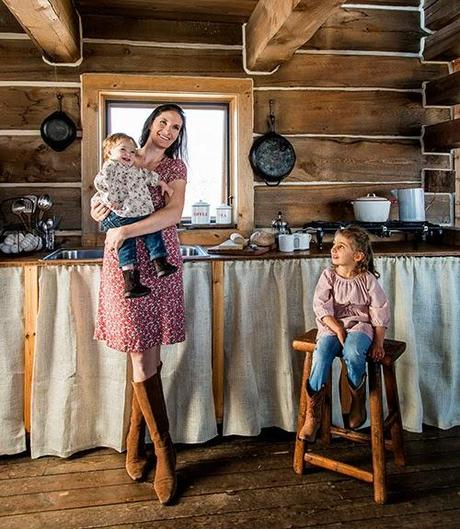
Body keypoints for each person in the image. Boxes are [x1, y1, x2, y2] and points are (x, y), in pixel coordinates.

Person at [91, 104, 188, 505]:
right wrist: (100, 214)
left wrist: (126, 227)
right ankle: (151, 443)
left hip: (161, 260)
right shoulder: (120, 156)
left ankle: (152, 446)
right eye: (164, 122)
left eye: (176, 127)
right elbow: (103, 206)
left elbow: (174, 213)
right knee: (138, 354)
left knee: (147, 354)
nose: (168, 130)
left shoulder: (173, 169)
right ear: (151, 124)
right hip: (126, 265)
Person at [299, 226, 390, 442]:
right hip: (331, 327)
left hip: (360, 327)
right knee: (321, 354)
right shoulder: (328, 276)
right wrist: (337, 327)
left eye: (341, 246)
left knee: (353, 351)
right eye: (334, 245)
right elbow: (320, 307)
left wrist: (378, 343)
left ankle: (357, 398)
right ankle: (313, 413)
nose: (334, 249)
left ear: (358, 256)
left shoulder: (367, 280)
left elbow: (379, 312)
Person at [94, 132, 177, 298]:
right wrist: (113, 200)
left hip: (138, 213)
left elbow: (146, 176)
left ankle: (157, 265)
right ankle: (134, 278)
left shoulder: (132, 169)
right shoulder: (110, 167)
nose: (128, 154)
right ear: (109, 153)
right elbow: (102, 185)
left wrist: (162, 183)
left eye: (132, 151)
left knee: (152, 232)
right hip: (123, 214)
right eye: (123, 150)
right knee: (127, 245)